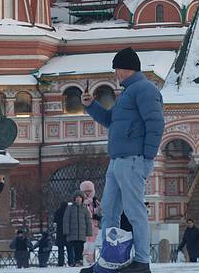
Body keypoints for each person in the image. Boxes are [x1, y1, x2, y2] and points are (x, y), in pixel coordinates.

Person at [83, 48, 165, 273]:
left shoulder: (145, 89)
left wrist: (147, 156)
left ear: (126, 68)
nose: (115, 74)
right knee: (109, 211)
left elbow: (156, 124)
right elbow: (111, 120)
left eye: (117, 69)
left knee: (134, 211)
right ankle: (109, 261)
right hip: (117, 160)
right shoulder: (127, 93)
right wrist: (91, 105)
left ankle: (141, 261)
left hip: (133, 160)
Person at [64, 194, 91, 267]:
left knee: (81, 247)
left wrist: (89, 232)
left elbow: (88, 221)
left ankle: (79, 260)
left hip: (82, 232)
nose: (78, 199)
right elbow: (66, 220)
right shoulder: (70, 208)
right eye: (77, 197)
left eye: (80, 197)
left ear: (82, 199)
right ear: (74, 199)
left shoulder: (84, 209)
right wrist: (66, 231)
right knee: (76, 247)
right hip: (73, 232)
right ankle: (77, 260)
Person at [53, 201, 69, 267]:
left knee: (60, 250)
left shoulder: (58, 212)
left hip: (60, 233)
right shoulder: (68, 212)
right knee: (70, 249)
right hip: (68, 232)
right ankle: (71, 262)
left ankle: (60, 262)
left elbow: (55, 221)